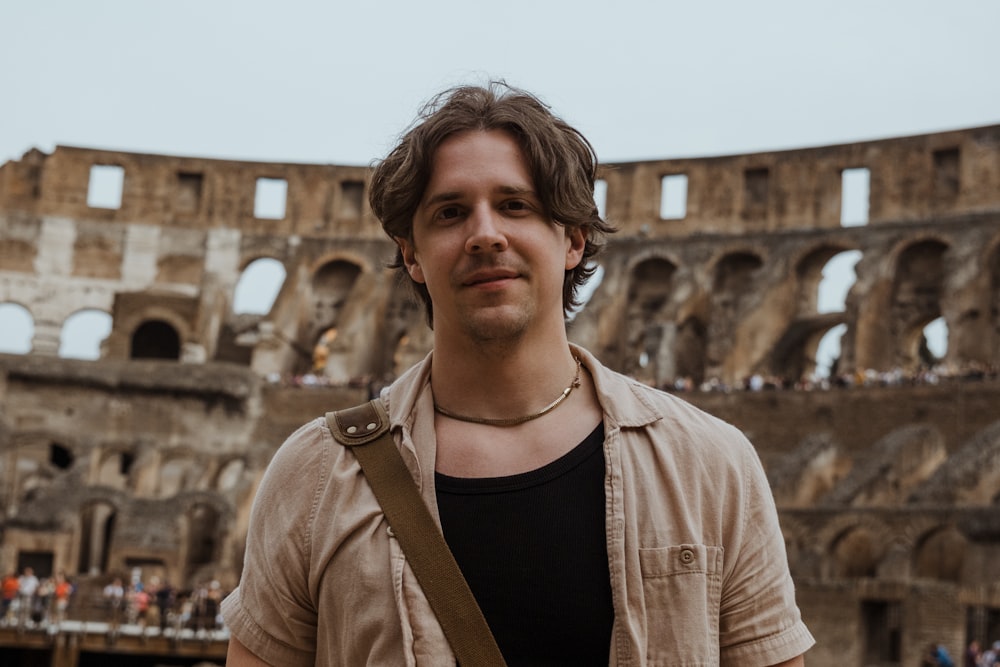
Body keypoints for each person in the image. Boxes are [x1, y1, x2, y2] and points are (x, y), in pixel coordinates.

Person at [222, 82, 815, 665]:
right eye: (452, 213)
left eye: (515, 205)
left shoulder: (710, 465)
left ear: (574, 240)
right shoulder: (315, 475)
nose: (485, 235)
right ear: (412, 255)